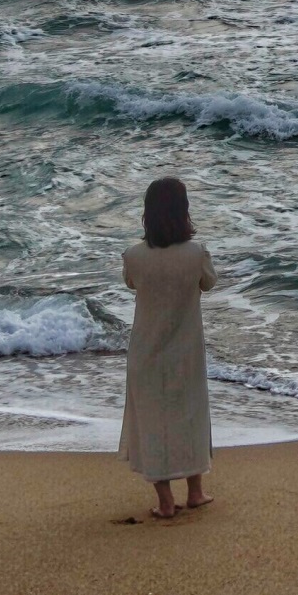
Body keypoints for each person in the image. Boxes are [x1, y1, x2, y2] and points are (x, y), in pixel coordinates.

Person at [120, 176, 218, 518]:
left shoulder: (134, 256)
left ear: (148, 215)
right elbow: (209, 283)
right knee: (190, 417)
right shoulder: (197, 254)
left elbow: (132, 282)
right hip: (186, 350)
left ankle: (164, 500)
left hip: (145, 352)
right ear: (184, 212)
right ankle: (195, 492)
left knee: (152, 421)